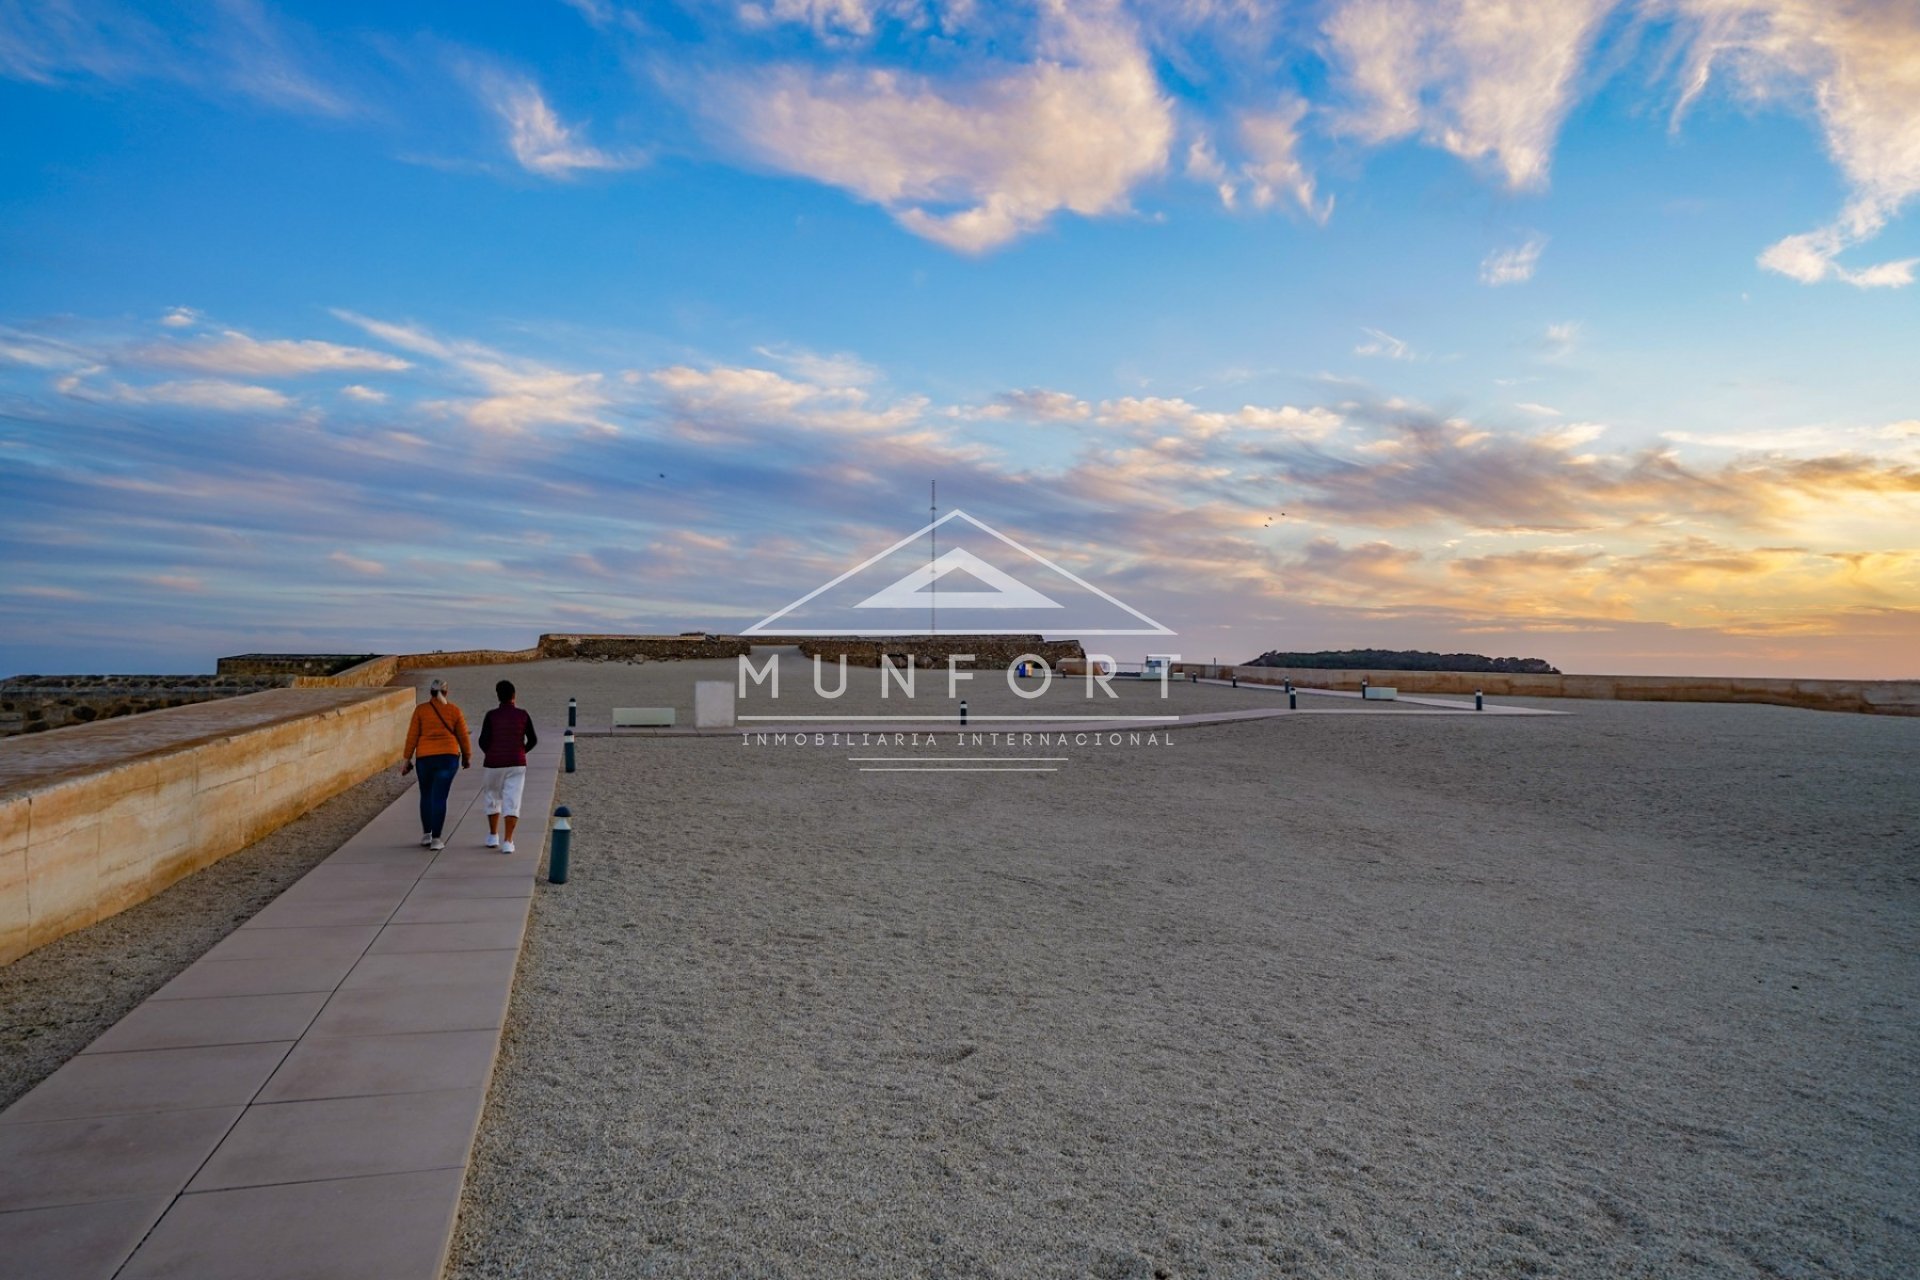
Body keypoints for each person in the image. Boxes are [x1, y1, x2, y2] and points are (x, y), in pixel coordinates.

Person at [402, 678, 470, 851]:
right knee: (440, 797)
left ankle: (427, 834)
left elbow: (412, 736)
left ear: (430, 692)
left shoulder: (421, 710)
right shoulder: (454, 710)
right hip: (448, 757)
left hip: (425, 758)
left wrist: (406, 759)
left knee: (426, 795)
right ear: (446, 692)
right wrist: (467, 757)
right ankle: (437, 839)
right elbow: (463, 736)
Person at [477, 679, 538, 854]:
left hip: (493, 763)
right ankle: (508, 841)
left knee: (492, 797)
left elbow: (482, 741)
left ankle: (493, 835)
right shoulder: (523, 715)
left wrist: (491, 752)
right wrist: (522, 751)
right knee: (512, 800)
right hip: (516, 763)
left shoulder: (491, 716)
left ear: (498, 696)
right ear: (514, 696)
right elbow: (533, 739)